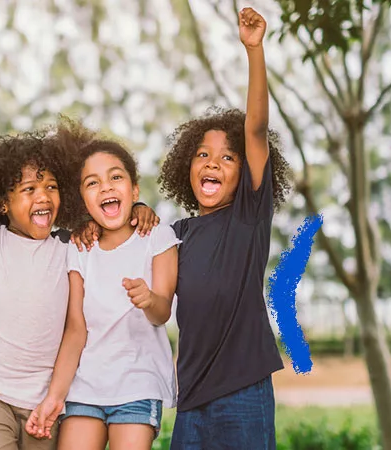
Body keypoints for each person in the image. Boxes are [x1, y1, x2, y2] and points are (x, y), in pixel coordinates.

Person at [0, 62, 160, 450]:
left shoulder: (70, 245)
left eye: (50, 186)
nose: (42, 195)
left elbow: (107, 208)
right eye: (28, 189)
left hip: (45, 400)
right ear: (3, 202)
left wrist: (138, 208)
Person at [157, 8, 292, 449]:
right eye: (202, 155)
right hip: (191, 398)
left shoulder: (248, 218)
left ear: (243, 174)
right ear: (186, 167)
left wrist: (254, 51)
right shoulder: (175, 234)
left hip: (244, 394)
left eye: (227, 157)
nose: (213, 161)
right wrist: (139, 211)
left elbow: (255, 128)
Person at [25, 119, 178, 450]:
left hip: (139, 384)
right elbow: (76, 330)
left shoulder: (157, 237)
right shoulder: (79, 249)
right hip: (86, 387)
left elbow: (162, 311)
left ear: (134, 190)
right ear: (81, 199)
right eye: (92, 183)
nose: (106, 187)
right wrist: (55, 397)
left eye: (116, 177)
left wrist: (149, 299)